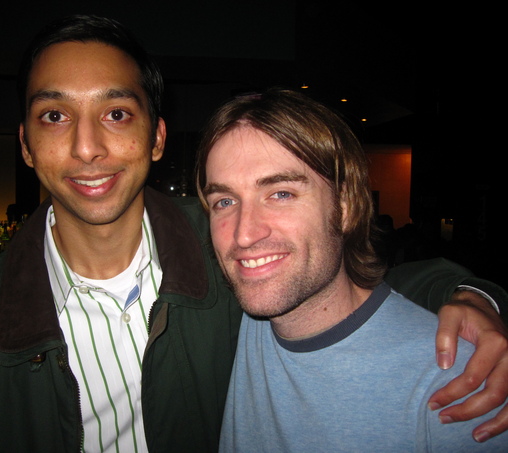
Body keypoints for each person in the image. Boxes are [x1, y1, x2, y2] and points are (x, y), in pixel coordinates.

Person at [0, 15, 508, 453]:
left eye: (117, 114)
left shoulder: (225, 249)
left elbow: (345, 280)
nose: (87, 146)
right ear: (25, 143)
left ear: (157, 137)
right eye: (55, 116)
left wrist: (473, 296)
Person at [195, 88, 508, 452]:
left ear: (345, 207)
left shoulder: (460, 383)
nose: (244, 234)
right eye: (225, 201)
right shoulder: (232, 315)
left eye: (281, 194)